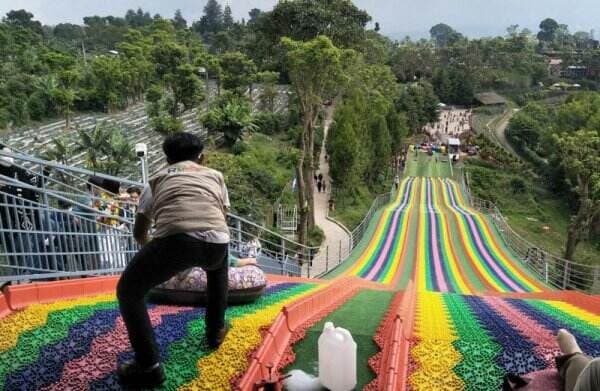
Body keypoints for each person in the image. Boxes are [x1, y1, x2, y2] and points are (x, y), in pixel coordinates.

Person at [116, 132, 230, 388]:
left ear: (167, 159)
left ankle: (148, 366)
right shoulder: (215, 176)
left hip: (174, 242)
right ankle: (216, 331)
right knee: (218, 268)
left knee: (128, 290)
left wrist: (160, 257)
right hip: (218, 242)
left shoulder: (155, 181)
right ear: (202, 158)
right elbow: (221, 216)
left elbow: (140, 231)